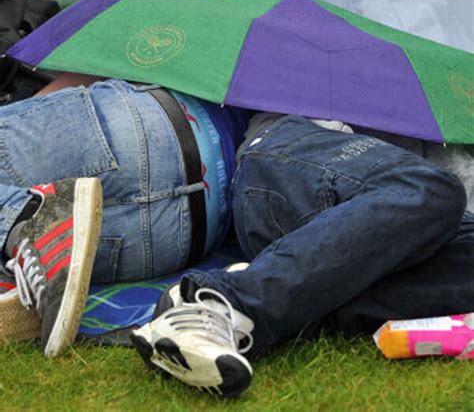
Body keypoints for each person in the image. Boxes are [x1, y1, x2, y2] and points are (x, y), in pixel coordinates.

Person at [130, 113, 474, 398]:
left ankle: (289, 300)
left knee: (434, 194)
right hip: (299, 150)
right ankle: (223, 304)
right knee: (430, 187)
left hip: (409, 224)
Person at [0, 76, 248, 356]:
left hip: (142, 127)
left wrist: (27, 114)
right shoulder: (290, 82)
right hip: (182, 235)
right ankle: (26, 243)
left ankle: (27, 217)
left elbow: (92, 61)